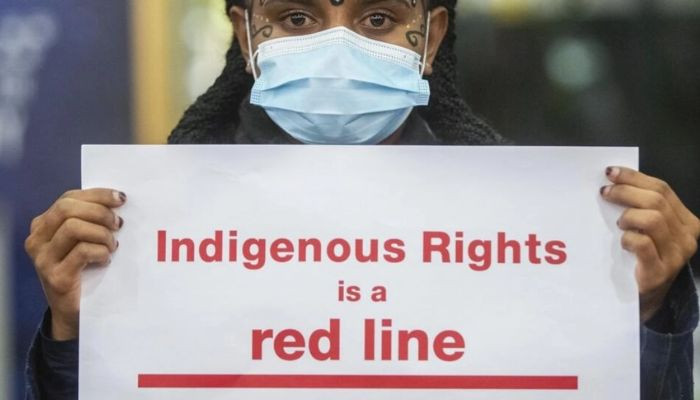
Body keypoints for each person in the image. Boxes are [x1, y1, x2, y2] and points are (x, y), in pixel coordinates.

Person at [23, 0, 700, 398]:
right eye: (296, 17)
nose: (337, 46)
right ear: (246, 33)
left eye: (379, 17)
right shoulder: (147, 224)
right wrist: (78, 330)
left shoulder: (533, 225)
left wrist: (642, 308)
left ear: (432, 36)